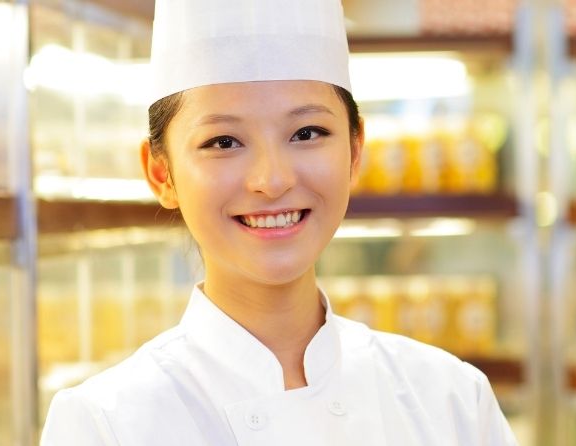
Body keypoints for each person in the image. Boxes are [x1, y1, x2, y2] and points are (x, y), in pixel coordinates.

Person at [38, 0, 519, 444]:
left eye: (307, 132)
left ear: (354, 151)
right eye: (223, 142)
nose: (272, 179)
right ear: (161, 173)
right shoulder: (105, 423)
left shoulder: (450, 401)